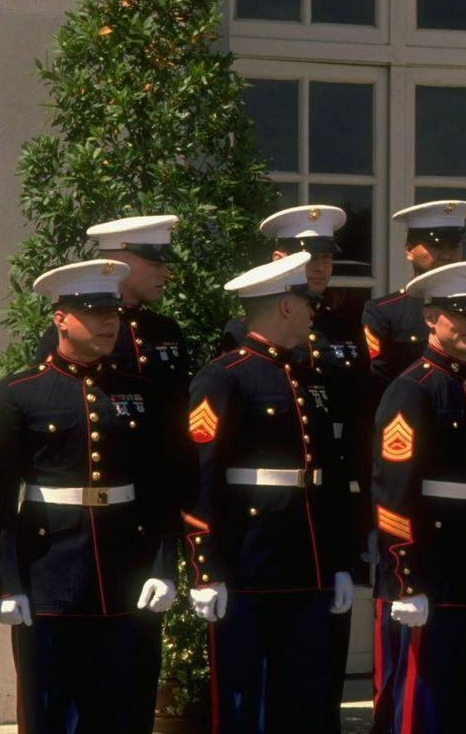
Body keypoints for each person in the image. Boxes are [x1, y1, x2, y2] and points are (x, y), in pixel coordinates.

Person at [0, 261, 178, 731]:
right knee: (51, 706)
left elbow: (160, 488)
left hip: (125, 574)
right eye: (94, 313)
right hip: (50, 574)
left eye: (112, 312)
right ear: (60, 318)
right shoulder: (19, 392)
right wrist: (5, 582)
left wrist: (163, 568)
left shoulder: (140, 391)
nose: (109, 323)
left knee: (123, 705)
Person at [184, 252, 355, 733]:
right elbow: (201, 476)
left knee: (305, 698)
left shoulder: (310, 378)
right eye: (306, 304)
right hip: (249, 564)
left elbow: (329, 476)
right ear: (285, 306)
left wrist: (339, 561)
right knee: (245, 701)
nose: (312, 313)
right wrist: (206, 569)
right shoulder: (224, 376)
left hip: (311, 562)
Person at [34, 214, 189, 728]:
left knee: (132, 681)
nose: (164, 272)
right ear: (118, 258)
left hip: (139, 525)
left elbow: (174, 440)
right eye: (153, 260)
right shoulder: (75, 335)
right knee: (64, 688)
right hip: (74, 536)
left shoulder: (167, 333)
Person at [370, 260, 466, 733]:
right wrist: (405, 578)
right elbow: (392, 492)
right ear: (431, 319)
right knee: (424, 698)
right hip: (431, 570)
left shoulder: (462, 384)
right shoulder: (413, 389)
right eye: (460, 315)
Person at [260, 204, 376, 730]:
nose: (321, 266)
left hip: (335, 492)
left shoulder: (346, 328)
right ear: (280, 258)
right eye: (310, 256)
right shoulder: (251, 329)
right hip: (277, 501)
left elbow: (360, 416)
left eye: (328, 256)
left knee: (329, 636)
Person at [363, 201, 466, 399]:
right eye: (436, 246)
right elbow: (376, 386)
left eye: (454, 246)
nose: (447, 255)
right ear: (408, 249)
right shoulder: (385, 312)